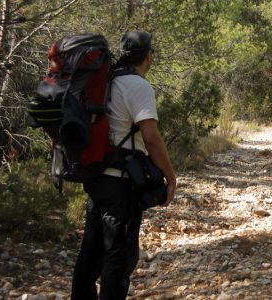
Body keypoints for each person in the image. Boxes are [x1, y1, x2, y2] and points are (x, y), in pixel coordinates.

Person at [71, 30, 177, 300]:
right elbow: (151, 139)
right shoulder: (138, 86)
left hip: (97, 177)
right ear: (149, 56)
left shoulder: (106, 81)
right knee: (118, 256)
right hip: (121, 183)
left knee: (91, 251)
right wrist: (170, 177)